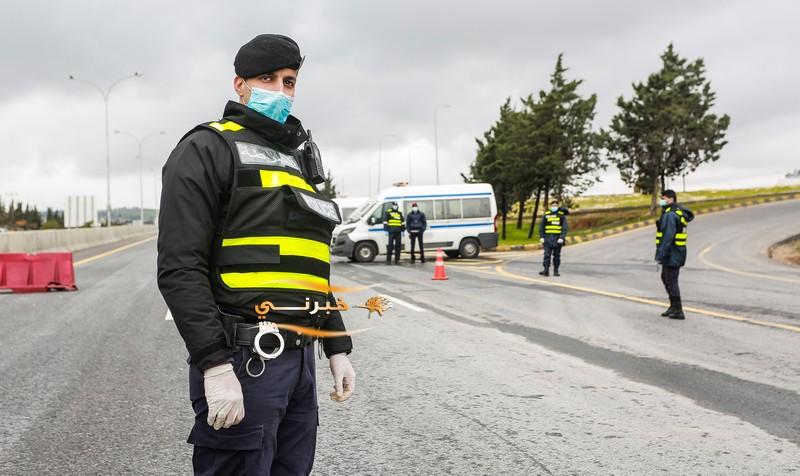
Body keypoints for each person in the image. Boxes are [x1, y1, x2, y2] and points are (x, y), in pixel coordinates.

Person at [157, 34, 356, 475]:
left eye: (289, 81)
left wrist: (336, 345)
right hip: (244, 360)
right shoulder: (206, 148)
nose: (280, 91)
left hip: (300, 362)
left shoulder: (297, 161)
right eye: (267, 79)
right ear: (239, 84)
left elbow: (306, 264)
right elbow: (179, 267)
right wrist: (214, 365)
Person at [655, 189, 694, 320]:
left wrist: (660, 254)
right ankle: (673, 306)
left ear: (671, 199)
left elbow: (668, 236)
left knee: (671, 280)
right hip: (674, 251)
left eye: (663, 198)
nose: (661, 200)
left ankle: (678, 310)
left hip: (672, 252)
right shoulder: (672, 212)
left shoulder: (671, 215)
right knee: (666, 278)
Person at [539, 199, 569, 277]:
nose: (554, 207)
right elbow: (542, 227)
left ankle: (556, 271)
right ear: (550, 206)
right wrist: (542, 237)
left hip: (557, 238)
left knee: (557, 255)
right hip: (547, 238)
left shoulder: (561, 215)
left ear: (558, 206)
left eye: (555, 205)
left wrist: (562, 237)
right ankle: (546, 270)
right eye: (552, 205)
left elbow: (564, 228)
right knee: (546, 255)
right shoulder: (546, 215)